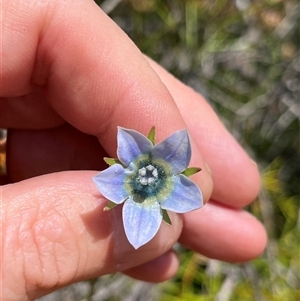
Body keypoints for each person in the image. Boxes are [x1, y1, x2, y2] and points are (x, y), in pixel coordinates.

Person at [1, 0, 267, 300]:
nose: (148, 178)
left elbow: (187, 188)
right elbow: (119, 171)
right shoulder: (131, 149)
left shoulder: (179, 177)